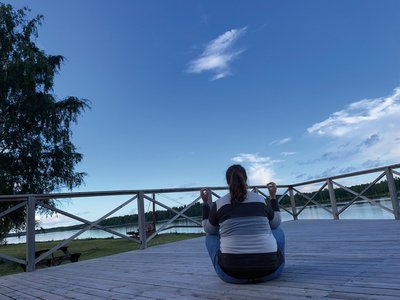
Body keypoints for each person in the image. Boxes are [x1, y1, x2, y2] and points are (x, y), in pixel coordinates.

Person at [201, 164, 285, 284]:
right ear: (245, 179)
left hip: (231, 276)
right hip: (272, 272)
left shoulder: (219, 204)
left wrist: (205, 204)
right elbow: (276, 223)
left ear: (227, 182)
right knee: (277, 231)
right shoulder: (260, 200)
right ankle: (276, 260)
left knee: (210, 237)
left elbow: (209, 230)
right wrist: (272, 197)